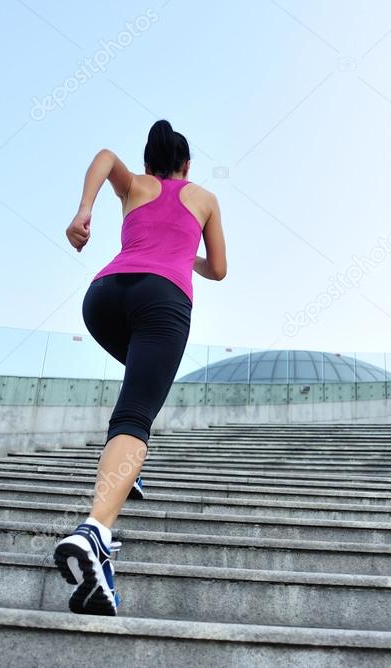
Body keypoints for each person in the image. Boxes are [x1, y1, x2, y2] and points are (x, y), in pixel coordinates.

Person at [52, 119, 227, 615]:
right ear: (186, 165)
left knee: (139, 386)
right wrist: (184, 255)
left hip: (104, 297)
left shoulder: (136, 186)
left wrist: (84, 213)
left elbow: (105, 154)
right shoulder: (204, 197)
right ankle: (95, 533)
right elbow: (218, 269)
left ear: (149, 162)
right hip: (162, 299)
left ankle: (124, 476)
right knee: (135, 416)